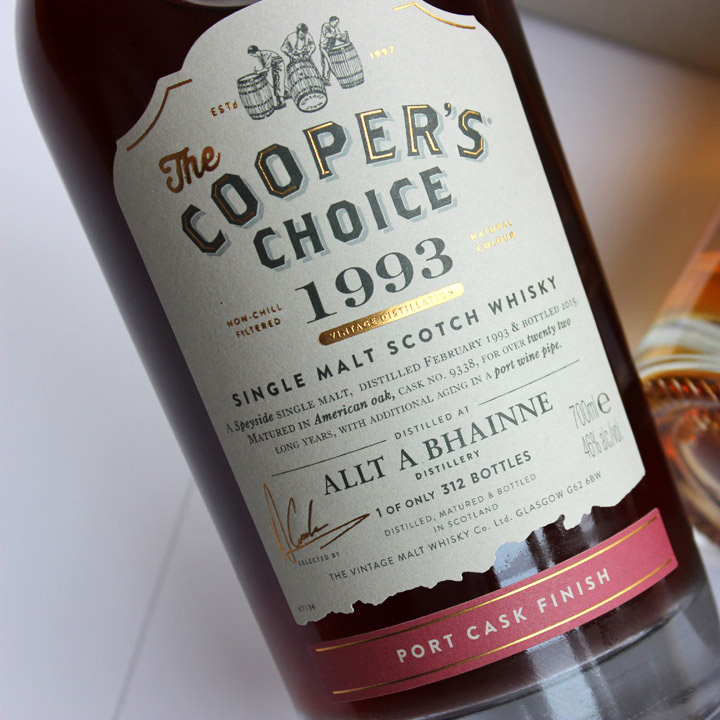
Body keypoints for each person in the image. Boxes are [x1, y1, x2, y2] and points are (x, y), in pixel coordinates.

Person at [319, 16, 348, 85]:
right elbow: (326, 34)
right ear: (331, 21)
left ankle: (325, 79)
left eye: (337, 23)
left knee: (329, 63)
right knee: (327, 63)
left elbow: (339, 37)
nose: (336, 24)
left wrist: (344, 38)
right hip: (324, 47)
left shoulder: (336, 29)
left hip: (330, 48)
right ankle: (325, 80)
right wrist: (335, 35)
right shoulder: (326, 26)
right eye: (336, 22)